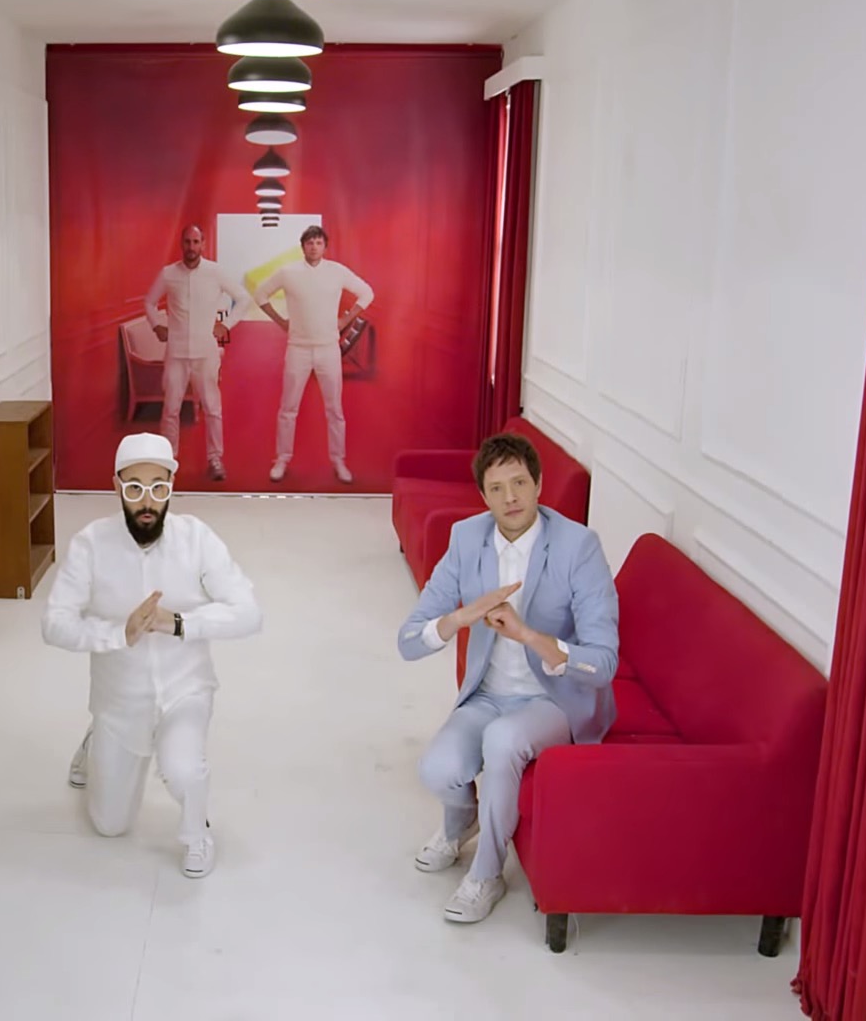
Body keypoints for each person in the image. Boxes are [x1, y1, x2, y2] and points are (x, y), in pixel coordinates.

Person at [396, 433, 620, 923]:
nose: (510, 497)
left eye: (520, 483)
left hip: (554, 699)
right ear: (483, 496)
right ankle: (462, 822)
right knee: (436, 769)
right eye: (496, 488)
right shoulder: (466, 538)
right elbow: (409, 640)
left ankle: (487, 875)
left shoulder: (578, 546)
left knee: (502, 741)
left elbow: (603, 663)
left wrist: (528, 635)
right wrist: (460, 617)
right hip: (489, 695)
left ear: (539, 484)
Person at [41, 432, 263, 877]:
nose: (147, 501)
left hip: (185, 691)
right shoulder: (90, 544)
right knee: (110, 825)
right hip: (119, 701)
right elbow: (54, 624)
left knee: (183, 769)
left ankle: (197, 833)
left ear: (171, 487)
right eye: (135, 488)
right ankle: (96, 738)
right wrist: (118, 633)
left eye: (159, 488)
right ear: (117, 487)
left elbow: (249, 614)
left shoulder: (197, 538)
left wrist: (178, 623)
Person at [251, 225, 374, 484]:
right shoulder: (288, 272)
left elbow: (367, 292)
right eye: (309, 242)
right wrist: (281, 321)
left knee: (334, 408)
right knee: (288, 407)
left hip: (328, 348)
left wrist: (345, 320)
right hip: (298, 347)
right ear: (303, 246)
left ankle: (338, 460)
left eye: (318, 242)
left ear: (325, 246)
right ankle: (282, 459)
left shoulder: (337, 271)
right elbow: (260, 294)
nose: (314, 247)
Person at [144, 225, 250, 481]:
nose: (191, 247)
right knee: (171, 408)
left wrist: (226, 324)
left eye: (195, 242)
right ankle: (168, 458)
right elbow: (149, 302)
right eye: (187, 242)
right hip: (176, 352)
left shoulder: (215, 272)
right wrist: (156, 325)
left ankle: (215, 458)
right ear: (181, 244)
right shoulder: (169, 274)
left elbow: (243, 298)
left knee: (212, 407)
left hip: (205, 352)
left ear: (203, 243)